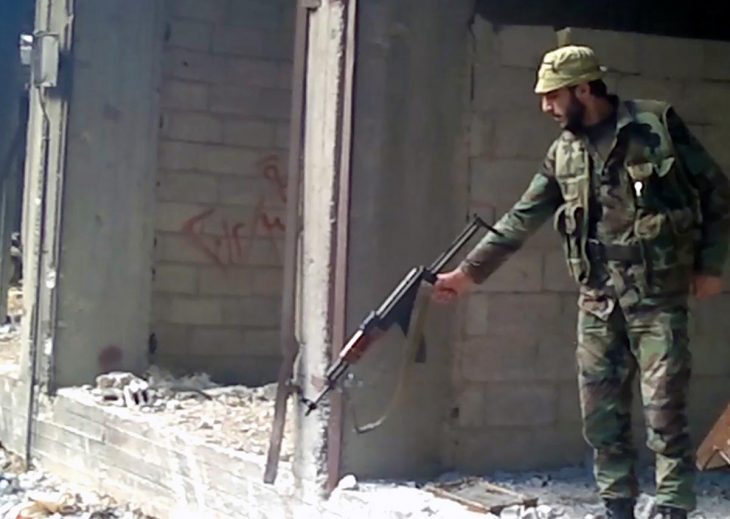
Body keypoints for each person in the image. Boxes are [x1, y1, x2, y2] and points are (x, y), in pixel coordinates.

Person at [433, 45, 730, 519]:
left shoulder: (655, 127)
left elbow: (717, 192)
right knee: (601, 416)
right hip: (598, 301)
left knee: (666, 412)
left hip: (656, 298)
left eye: (553, 96)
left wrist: (712, 265)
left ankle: (674, 507)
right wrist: (468, 275)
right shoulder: (563, 153)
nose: (546, 108)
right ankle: (616, 506)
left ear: (584, 89)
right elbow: (520, 218)